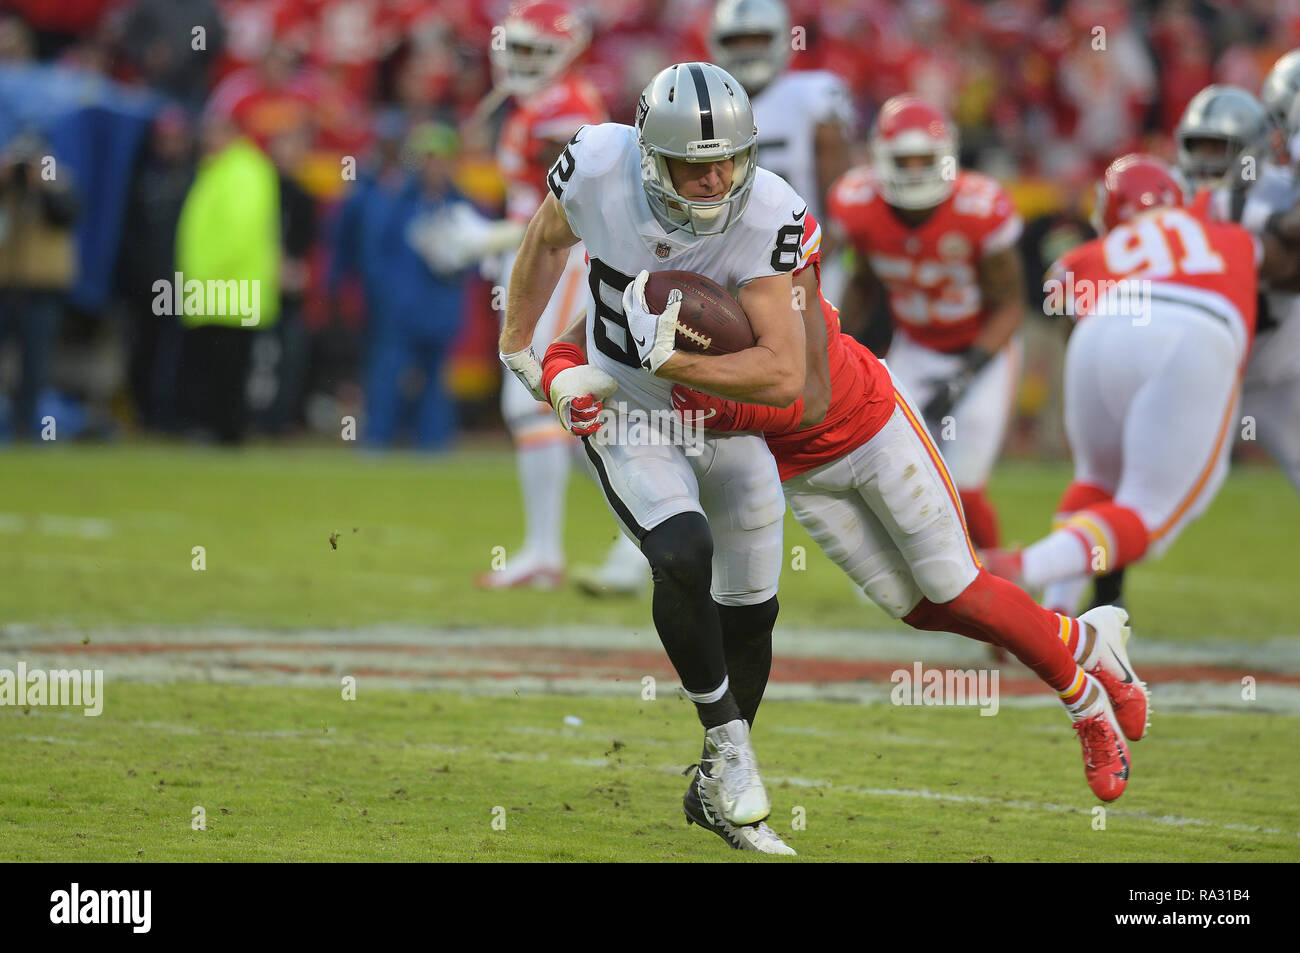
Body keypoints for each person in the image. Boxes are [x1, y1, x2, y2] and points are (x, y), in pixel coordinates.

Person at [502, 62, 808, 854]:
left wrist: (685, 366)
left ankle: (716, 780)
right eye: (692, 164)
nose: (714, 179)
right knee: (682, 552)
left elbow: (783, 373)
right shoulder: (600, 163)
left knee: (753, 612)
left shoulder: (770, 209)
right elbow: (543, 240)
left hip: (726, 414)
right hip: (630, 406)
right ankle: (732, 750)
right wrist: (519, 343)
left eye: (727, 161)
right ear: (648, 157)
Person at [982, 155, 1298, 621]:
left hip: (1098, 331)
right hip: (1193, 327)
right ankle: (1023, 566)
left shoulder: (1083, 256)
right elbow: (1287, 257)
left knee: (1095, 479)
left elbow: (1065, 311)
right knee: (1148, 514)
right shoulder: (1229, 236)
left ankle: (1056, 615)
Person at [476, 0, 650, 594]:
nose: (521, 61)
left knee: (541, 393)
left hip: (563, 258)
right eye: (516, 48)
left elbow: (569, 208)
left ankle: (576, 546)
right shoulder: (535, 105)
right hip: (536, 255)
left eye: (534, 50)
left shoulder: (565, 108)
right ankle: (624, 539)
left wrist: (487, 235)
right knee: (561, 406)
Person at [828, 95, 1026, 553]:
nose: (915, 170)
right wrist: (840, 346)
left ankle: (1000, 579)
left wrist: (966, 374)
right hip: (915, 349)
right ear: (880, 159)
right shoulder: (857, 205)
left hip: (982, 353)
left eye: (925, 160)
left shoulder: (979, 208)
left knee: (966, 485)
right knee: (897, 472)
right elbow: (863, 283)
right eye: (904, 160)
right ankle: (926, 576)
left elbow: (1011, 306)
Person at [708, 0, 854, 300]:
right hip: (729, 266)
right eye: (736, 40)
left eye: (758, 38)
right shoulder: (707, 102)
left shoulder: (812, 95)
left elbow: (839, 211)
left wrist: (806, 273)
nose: (748, 49)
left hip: (809, 258)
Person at [0, 130, 79, 441]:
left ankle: (26, 428)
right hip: (6, 286)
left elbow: (68, 213)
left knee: (34, 365)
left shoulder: (59, 182)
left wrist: (44, 182)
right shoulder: (7, 188)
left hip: (41, 290)